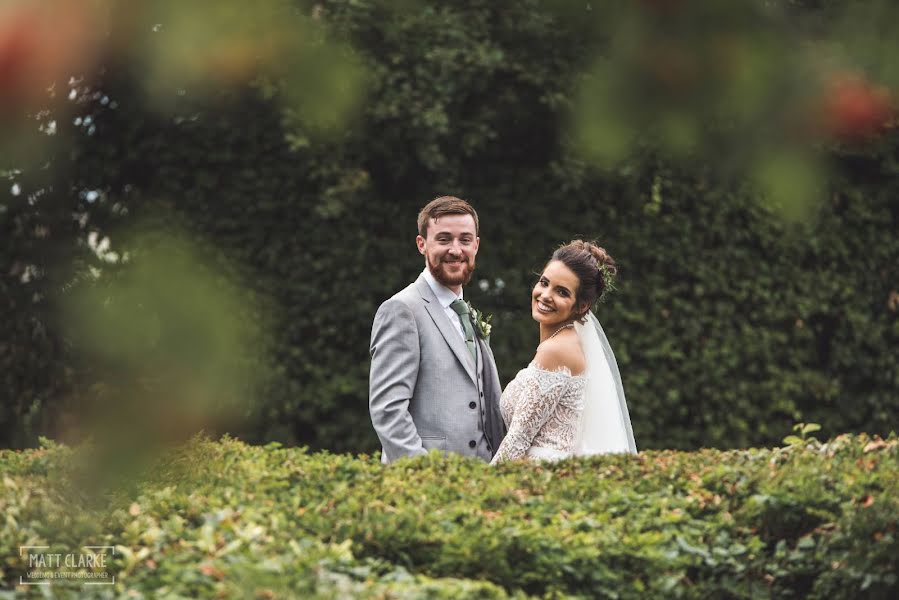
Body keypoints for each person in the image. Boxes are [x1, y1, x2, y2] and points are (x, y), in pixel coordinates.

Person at [369, 196, 505, 463]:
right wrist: (425, 475)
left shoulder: (465, 312)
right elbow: (388, 411)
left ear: (476, 245)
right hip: (429, 486)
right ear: (422, 244)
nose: (456, 250)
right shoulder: (402, 310)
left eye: (465, 240)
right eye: (444, 239)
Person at [491, 240, 637, 463]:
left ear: (581, 306)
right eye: (544, 282)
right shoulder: (567, 342)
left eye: (561, 292)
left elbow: (518, 441)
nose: (545, 295)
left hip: (538, 475)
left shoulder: (556, 350)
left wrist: (481, 486)